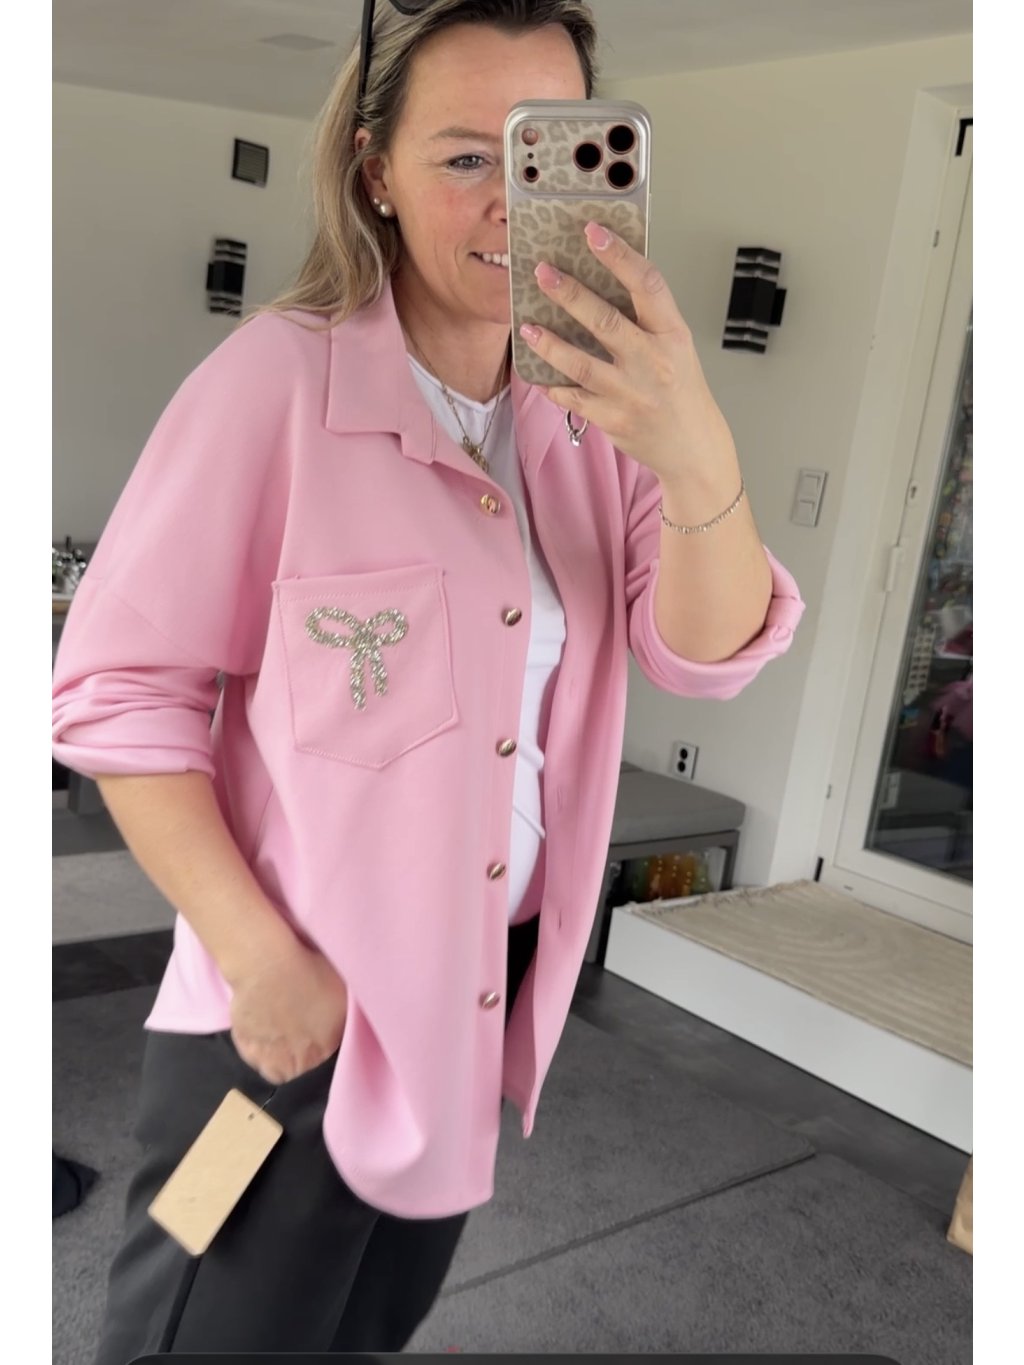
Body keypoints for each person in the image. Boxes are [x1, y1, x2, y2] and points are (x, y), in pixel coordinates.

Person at [51, 0, 805, 1357]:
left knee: (369, 1325)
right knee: (200, 1333)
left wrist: (696, 445)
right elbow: (115, 695)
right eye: (466, 156)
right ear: (374, 172)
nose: (511, 201)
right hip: (287, 1007)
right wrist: (261, 961)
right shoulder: (274, 386)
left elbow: (706, 654)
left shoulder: (600, 419)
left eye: (547, 152)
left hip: (477, 1003)